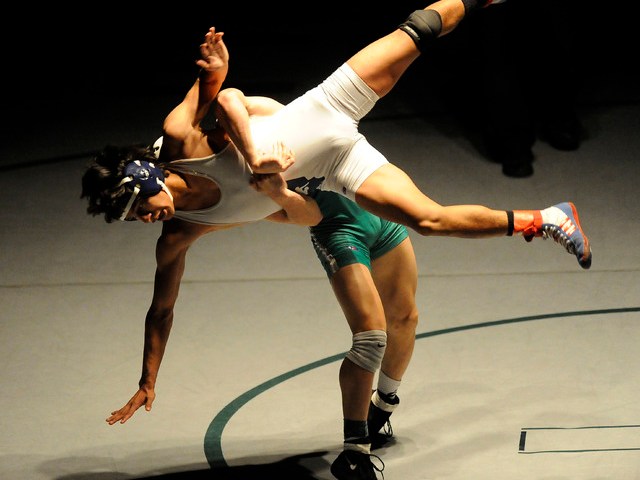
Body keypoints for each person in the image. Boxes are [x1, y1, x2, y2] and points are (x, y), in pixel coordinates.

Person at [81, 1, 592, 478]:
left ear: (143, 179)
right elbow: (161, 310)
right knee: (429, 220)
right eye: (131, 221)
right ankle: (548, 218)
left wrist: (240, 119)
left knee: (415, 31)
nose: (143, 222)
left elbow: (227, 94)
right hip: (335, 167)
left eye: (135, 210)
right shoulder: (180, 235)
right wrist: (148, 378)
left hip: (324, 106)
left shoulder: (179, 136)